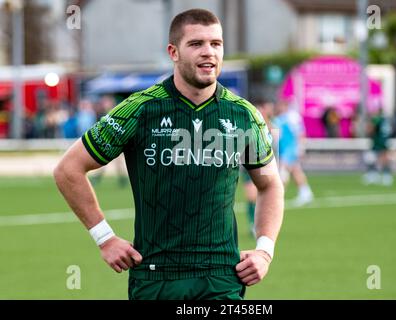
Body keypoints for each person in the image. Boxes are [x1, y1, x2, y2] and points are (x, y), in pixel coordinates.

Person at [54, 8, 284, 300]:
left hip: (221, 277)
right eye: (196, 44)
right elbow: (68, 169)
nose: (208, 52)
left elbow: (269, 184)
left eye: (216, 44)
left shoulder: (244, 114)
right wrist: (104, 238)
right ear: (173, 52)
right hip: (155, 277)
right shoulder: (139, 109)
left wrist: (264, 251)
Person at [241, 98, 275, 238]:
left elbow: (272, 143)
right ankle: (252, 224)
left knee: (267, 192)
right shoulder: (248, 120)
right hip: (248, 162)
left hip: (265, 164)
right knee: (251, 195)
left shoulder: (270, 125)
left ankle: (264, 225)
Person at [272, 99, 313, 206]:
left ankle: (278, 197)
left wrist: (301, 147)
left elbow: (300, 133)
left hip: (290, 149)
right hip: (284, 149)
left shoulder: (291, 117)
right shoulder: (279, 118)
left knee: (283, 171)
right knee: (296, 170)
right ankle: (305, 192)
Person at [363, 108, 393, 186]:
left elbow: (370, 129)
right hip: (384, 140)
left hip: (378, 141)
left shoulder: (377, 119)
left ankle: (374, 175)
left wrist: (369, 130)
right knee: (379, 158)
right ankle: (385, 176)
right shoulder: (385, 120)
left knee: (372, 158)